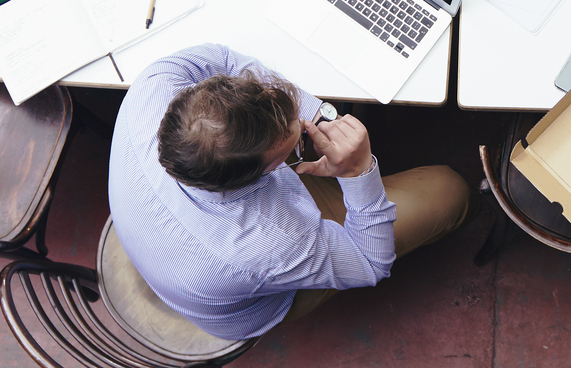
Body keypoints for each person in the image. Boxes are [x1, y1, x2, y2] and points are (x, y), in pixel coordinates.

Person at [107, 44, 472, 338]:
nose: (303, 127)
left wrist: (320, 114)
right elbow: (370, 263)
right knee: (449, 189)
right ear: (261, 175)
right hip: (244, 295)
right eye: (295, 148)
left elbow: (224, 58)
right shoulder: (268, 244)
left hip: (160, 239)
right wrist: (358, 170)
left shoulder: (153, 86)